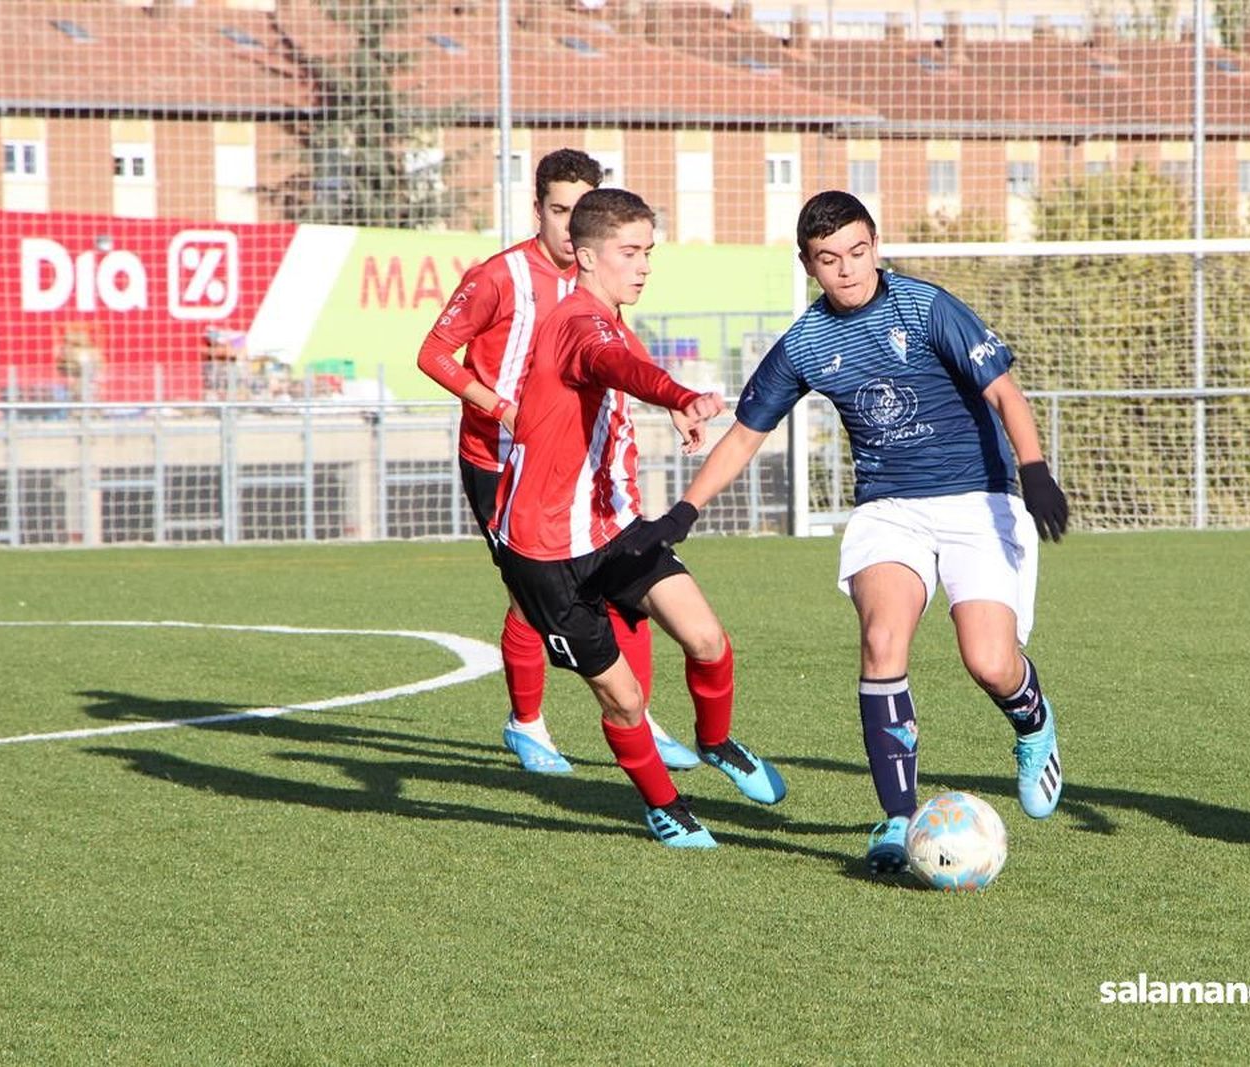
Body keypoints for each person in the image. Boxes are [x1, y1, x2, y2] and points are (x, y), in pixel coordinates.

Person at [625, 191, 1068, 873]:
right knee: (881, 637)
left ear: (876, 246)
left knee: (989, 661)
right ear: (809, 265)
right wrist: (682, 513)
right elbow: (745, 436)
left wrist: (1034, 472)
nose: (848, 270)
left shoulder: (924, 307)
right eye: (829, 259)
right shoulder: (806, 341)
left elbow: (1004, 391)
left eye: (858, 253)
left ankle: (1032, 720)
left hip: (978, 500)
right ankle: (896, 816)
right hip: (889, 509)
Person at [493, 187, 787, 848]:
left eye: (649, 251)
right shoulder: (575, 322)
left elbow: (621, 365)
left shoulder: (610, 317)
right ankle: (664, 806)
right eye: (630, 251)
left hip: (609, 526)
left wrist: (669, 405)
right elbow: (610, 363)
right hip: (546, 556)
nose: (645, 265)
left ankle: (716, 742)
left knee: (708, 639)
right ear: (587, 256)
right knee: (624, 699)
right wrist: (679, 393)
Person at [415, 149, 698, 776]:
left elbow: (616, 348)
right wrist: (499, 406)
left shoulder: (599, 275)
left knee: (629, 586)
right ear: (537, 208)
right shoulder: (500, 276)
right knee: (531, 598)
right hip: (501, 463)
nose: (570, 229)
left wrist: (669, 398)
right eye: (559, 211)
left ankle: (639, 716)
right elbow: (433, 352)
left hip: (581, 465)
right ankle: (527, 725)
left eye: (580, 213)